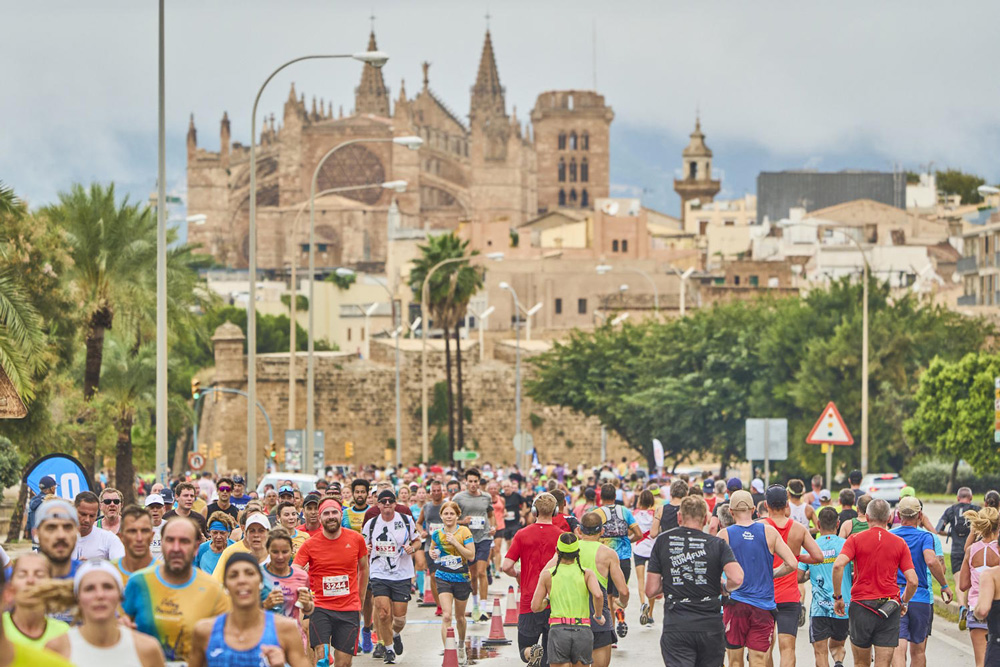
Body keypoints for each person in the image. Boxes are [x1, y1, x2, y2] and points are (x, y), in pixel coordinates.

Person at [644, 496, 743, 667]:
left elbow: (651, 590)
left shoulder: (663, 541)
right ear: (705, 519)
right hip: (710, 625)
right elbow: (737, 577)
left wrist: (672, 581)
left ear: (679, 517)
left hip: (677, 624)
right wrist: (724, 587)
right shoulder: (717, 544)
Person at [122, 516, 231, 662]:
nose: (176, 548)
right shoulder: (139, 582)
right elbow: (119, 632)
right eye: (170, 540)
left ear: (196, 547)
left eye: (184, 541)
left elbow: (228, 644)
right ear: (162, 544)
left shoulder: (213, 590)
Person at [832, 498, 918, 667]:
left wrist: (838, 597)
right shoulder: (899, 543)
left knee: (861, 663)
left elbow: (838, 566)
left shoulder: (855, 540)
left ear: (868, 517)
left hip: (861, 606)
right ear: (889, 519)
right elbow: (913, 581)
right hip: (888, 608)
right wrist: (904, 601)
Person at [718, 490, 798, 667]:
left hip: (734, 605)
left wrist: (724, 586)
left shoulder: (724, 535)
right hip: (763, 607)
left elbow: (713, 571)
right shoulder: (769, 532)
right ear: (754, 509)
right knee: (759, 661)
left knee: (735, 662)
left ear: (731, 512)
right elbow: (792, 563)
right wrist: (772, 574)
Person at [188, 553, 310, 667]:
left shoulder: (284, 629)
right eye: (233, 575)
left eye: (249, 573)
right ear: (225, 585)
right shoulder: (205, 631)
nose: (242, 580)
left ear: (261, 581)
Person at [44, 560, 164, 667]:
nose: (100, 595)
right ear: (78, 598)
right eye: (90, 588)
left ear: (120, 596)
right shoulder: (57, 648)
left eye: (107, 587)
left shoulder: (147, 649)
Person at [293, 499, 369, 667]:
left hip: (349, 607)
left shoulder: (356, 539)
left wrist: (361, 598)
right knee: (321, 657)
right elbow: (294, 570)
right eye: (326, 513)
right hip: (320, 607)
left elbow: (364, 568)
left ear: (341, 515)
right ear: (320, 518)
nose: (331, 516)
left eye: (334, 512)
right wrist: (302, 578)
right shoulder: (310, 545)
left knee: (344, 663)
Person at [761, 484, 824, 667]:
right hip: (789, 597)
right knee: (787, 648)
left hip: (765, 595)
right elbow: (818, 556)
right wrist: (796, 556)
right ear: (786, 504)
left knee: (765, 646)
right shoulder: (798, 528)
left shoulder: (760, 527)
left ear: (766, 505)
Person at [502, 493, 564, 667]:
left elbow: (506, 566)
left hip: (529, 601)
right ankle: (540, 657)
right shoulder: (561, 536)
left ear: (534, 511)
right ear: (555, 511)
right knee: (549, 655)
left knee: (525, 648)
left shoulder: (522, 534)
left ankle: (531, 653)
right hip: (554, 602)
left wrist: (518, 575)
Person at [890, 496, 953, 666]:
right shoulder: (926, 537)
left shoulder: (890, 536)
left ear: (898, 514)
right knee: (918, 650)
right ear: (919, 515)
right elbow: (931, 561)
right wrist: (944, 585)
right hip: (921, 597)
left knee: (898, 646)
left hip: (895, 596)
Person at [361, 489, 420, 664]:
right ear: (378, 504)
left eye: (390, 501)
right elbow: (362, 546)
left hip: (402, 574)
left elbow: (417, 540)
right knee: (383, 613)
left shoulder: (405, 520)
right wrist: (367, 550)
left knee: (399, 619)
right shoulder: (371, 524)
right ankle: (388, 650)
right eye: (383, 501)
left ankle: (394, 635)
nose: (387, 504)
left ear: (395, 504)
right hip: (379, 573)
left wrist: (413, 548)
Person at [531, 533, 604, 667]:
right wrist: (598, 615)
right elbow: (598, 595)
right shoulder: (587, 573)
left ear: (557, 551)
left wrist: (547, 601)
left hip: (558, 630)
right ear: (578, 552)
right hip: (582, 629)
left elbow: (535, 606)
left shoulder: (548, 574)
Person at [798, 506, 852, 667]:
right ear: (838, 523)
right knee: (838, 645)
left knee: (820, 652)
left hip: (819, 608)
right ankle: (838, 661)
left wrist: (809, 575)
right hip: (844, 606)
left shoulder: (811, 546)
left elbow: (798, 577)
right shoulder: (847, 545)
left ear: (819, 524)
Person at [574, 512, 627, 667]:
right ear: (602, 531)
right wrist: (622, 603)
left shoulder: (569, 549)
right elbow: (623, 591)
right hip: (600, 616)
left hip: (575, 616)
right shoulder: (608, 554)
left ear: (579, 530)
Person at [429, 500, 475, 664]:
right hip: (443, 576)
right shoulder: (437, 534)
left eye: (452, 514)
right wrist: (433, 554)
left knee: (460, 617)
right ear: (441, 516)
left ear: (457, 516)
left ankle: (461, 646)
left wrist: (456, 542)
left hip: (461, 577)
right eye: (446, 513)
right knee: (447, 616)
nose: (449, 516)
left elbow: (471, 556)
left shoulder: (464, 532)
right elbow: (432, 548)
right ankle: (450, 651)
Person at [595, 483, 641, 638]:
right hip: (624, 558)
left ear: (601, 498)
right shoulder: (625, 511)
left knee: (607, 596)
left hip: (605, 559)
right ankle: (620, 610)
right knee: (618, 595)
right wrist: (628, 541)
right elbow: (639, 534)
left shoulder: (598, 513)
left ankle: (611, 634)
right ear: (615, 497)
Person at [453, 468, 496, 623]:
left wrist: (493, 527)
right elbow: (451, 518)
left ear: (479, 482)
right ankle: (476, 605)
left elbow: (491, 515)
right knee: (473, 575)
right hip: (467, 539)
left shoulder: (486, 497)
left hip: (484, 537)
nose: (472, 484)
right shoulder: (459, 498)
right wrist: (462, 522)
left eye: (475, 481)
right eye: (470, 481)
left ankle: (484, 608)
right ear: (465, 482)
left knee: (482, 571)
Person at [262, 528, 314, 655]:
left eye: (285, 552)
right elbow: (246, 612)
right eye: (275, 552)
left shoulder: (301, 576)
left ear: (292, 550)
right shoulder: (257, 574)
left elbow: (308, 609)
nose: (280, 557)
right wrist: (265, 606)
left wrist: (307, 604)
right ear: (267, 550)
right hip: (266, 641)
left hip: (294, 639)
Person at [1, 554, 69, 649]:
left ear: (51, 586)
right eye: (22, 575)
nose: (30, 581)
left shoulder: (64, 633)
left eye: (39, 575)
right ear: (10, 589)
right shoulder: (2, 629)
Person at [960, 506, 1000, 667]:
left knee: (981, 661)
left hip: (976, 606)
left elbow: (963, 585)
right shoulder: (999, 549)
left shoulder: (971, 550)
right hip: (996, 608)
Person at [937, 486, 980, 625]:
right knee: (970, 582)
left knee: (959, 582)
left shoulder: (950, 510)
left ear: (957, 498)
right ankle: (968, 609)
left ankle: (961, 607)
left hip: (956, 551)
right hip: (972, 551)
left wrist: (951, 534)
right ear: (971, 498)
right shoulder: (977, 510)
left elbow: (939, 529)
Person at [212, 512, 272, 580]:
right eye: (252, 531)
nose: (256, 535)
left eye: (261, 531)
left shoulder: (276, 560)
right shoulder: (238, 561)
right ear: (245, 534)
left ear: (268, 533)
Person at [34, 500, 81, 581]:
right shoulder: (17, 580)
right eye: (51, 528)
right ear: (36, 534)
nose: (61, 536)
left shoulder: (89, 577)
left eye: (67, 527)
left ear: (77, 531)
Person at [73, 491, 125, 561]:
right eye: (83, 514)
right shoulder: (60, 537)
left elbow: (120, 564)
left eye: (92, 516)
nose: (87, 520)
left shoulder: (109, 538)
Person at [630, 490, 656, 627]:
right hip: (652, 550)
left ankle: (643, 604)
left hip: (639, 549)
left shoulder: (634, 514)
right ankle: (650, 614)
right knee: (651, 581)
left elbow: (631, 531)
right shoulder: (655, 514)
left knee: (641, 580)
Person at [420, 480, 446, 614]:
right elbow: (419, 523)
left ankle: (447, 601)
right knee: (434, 576)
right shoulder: (426, 507)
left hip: (447, 547)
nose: (436, 493)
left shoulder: (447, 505)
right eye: (433, 491)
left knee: (446, 576)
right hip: (431, 546)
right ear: (430, 493)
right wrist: (422, 531)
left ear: (442, 491)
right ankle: (439, 605)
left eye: (438, 490)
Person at [114, 505, 155, 585]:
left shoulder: (165, 575)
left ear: (152, 536)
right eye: (132, 531)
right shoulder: (109, 572)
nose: (139, 538)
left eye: (144, 531)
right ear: (121, 537)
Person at [27, 477, 57, 544]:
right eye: (55, 487)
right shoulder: (50, 502)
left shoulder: (32, 500)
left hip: (35, 541)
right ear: (52, 488)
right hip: (48, 541)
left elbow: (29, 524)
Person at [144, 493, 166, 560]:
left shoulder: (169, 527)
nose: (155, 510)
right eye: (151, 507)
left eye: (158, 507)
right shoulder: (140, 528)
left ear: (163, 509)